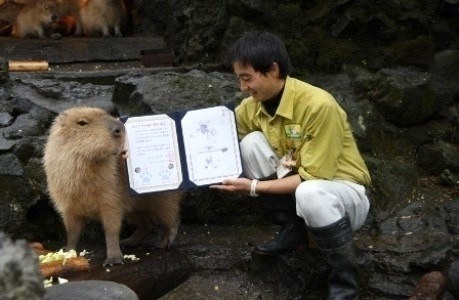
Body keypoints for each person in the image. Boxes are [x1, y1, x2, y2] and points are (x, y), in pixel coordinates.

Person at [210, 30, 372, 299]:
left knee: (310, 192)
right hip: (302, 194)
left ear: (273, 69)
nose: (243, 88)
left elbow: (311, 179)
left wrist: (252, 187)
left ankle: (345, 287)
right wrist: (138, 147)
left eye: (247, 78)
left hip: (344, 197)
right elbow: (213, 134)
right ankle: (293, 229)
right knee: (249, 143)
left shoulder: (318, 104)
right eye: (239, 79)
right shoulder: (253, 106)